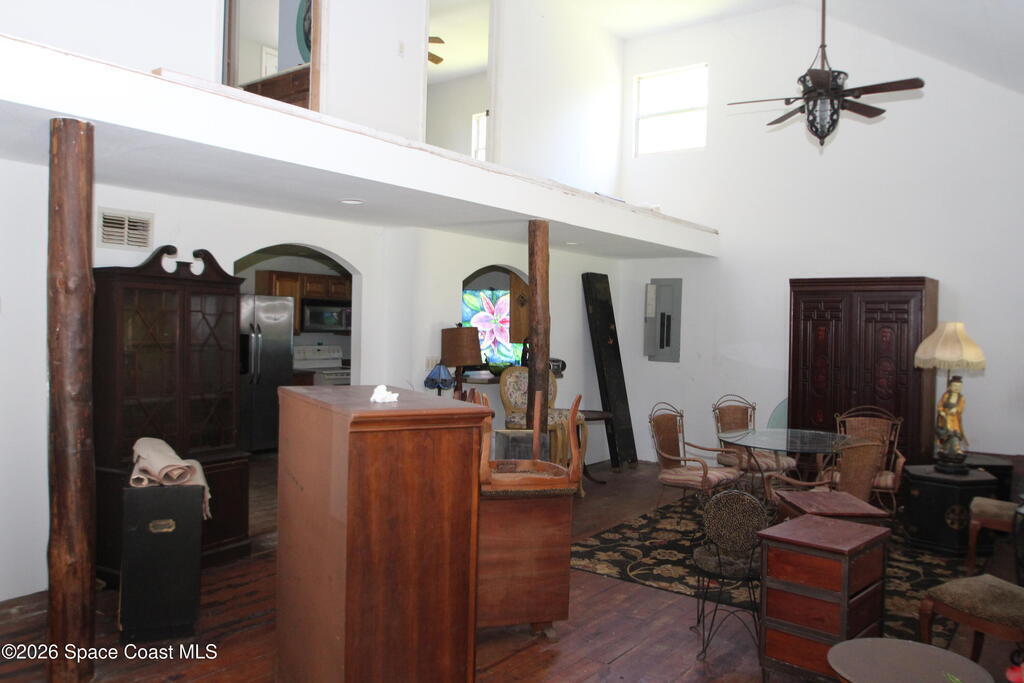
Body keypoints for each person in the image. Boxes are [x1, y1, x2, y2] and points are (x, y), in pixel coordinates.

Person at [935, 376, 967, 456]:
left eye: (959, 386)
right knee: (944, 434)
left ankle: (956, 449)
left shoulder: (961, 398)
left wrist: (956, 409)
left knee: (955, 434)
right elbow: (940, 405)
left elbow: (961, 407)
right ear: (950, 386)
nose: (957, 388)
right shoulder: (946, 395)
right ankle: (943, 448)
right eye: (955, 386)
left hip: (954, 419)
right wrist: (941, 411)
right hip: (944, 418)